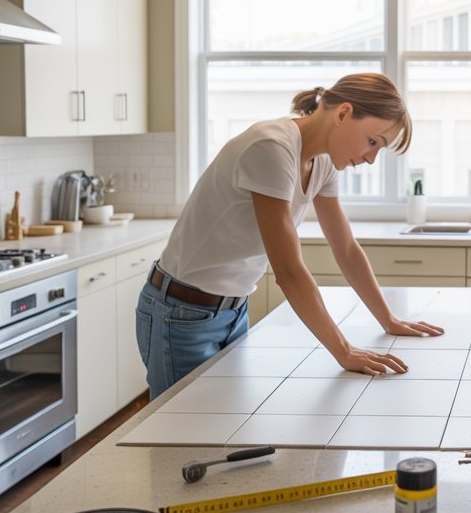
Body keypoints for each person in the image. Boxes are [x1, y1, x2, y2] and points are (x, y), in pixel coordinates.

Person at [137, 73, 444, 399]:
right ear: (342, 113)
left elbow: (346, 248)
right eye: (372, 142)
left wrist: (389, 320)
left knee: (215, 436)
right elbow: (288, 271)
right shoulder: (271, 148)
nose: (371, 158)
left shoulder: (322, 161)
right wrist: (343, 351)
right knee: (177, 441)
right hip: (180, 314)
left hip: (232, 312)